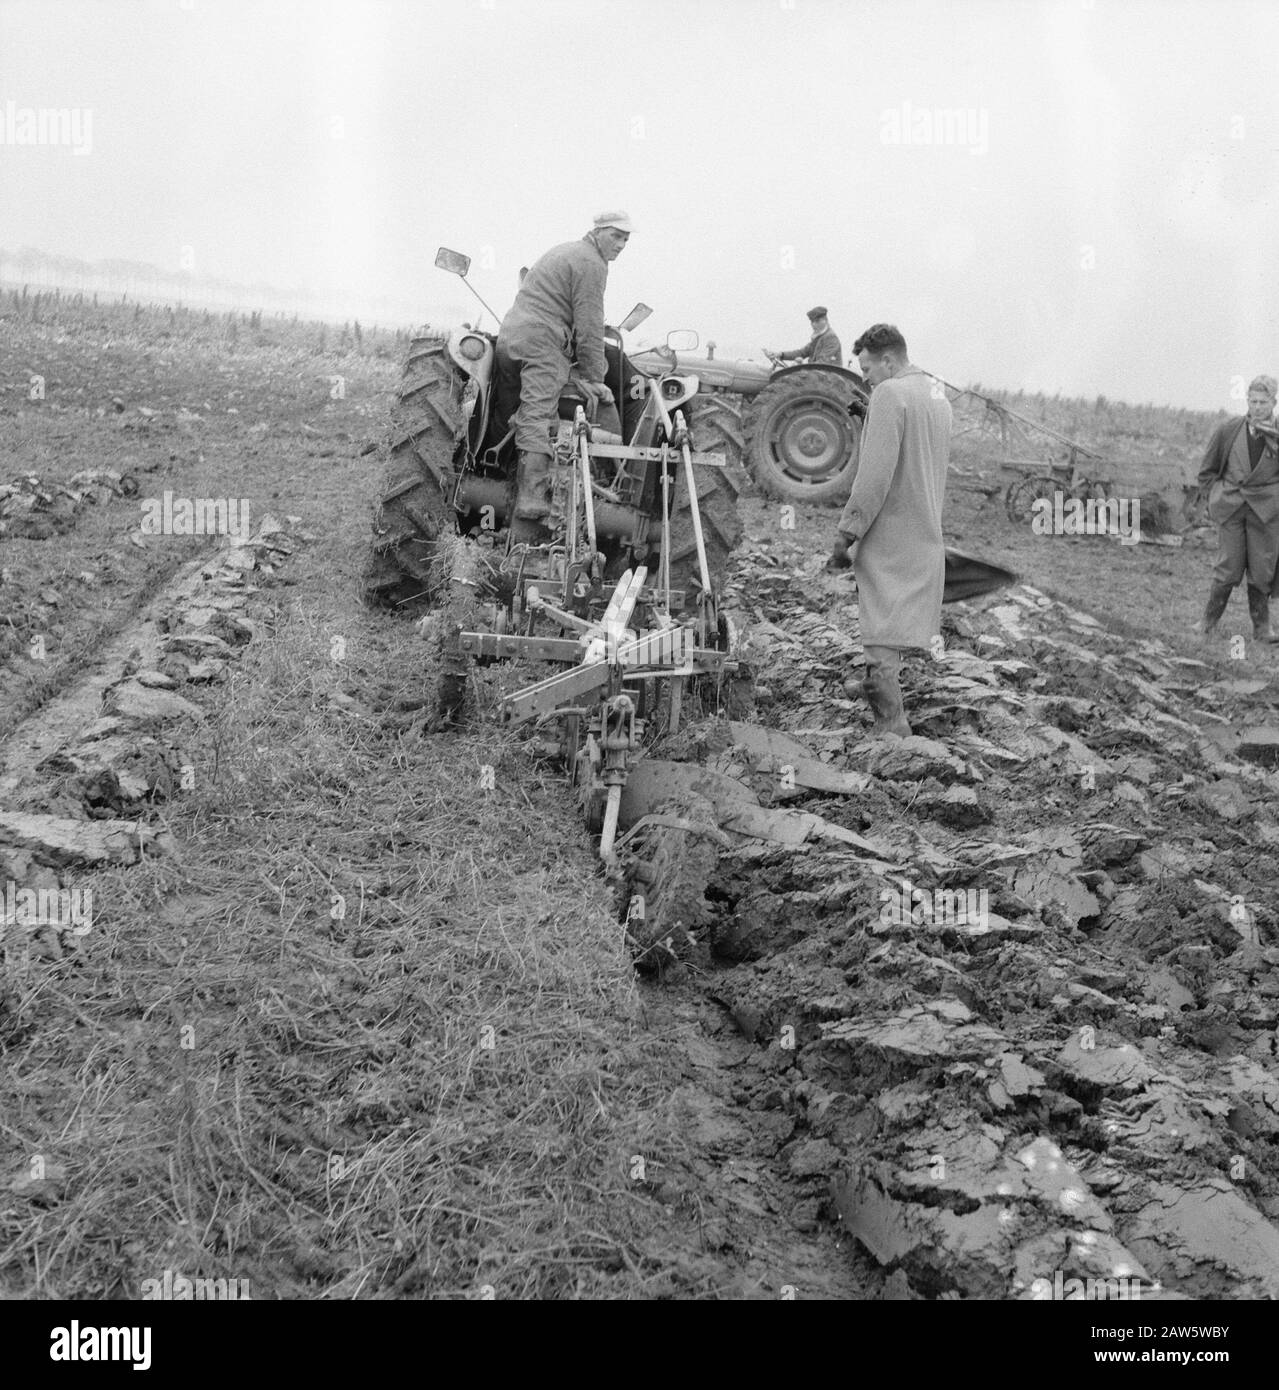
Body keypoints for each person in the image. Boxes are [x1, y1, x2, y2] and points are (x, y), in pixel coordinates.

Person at [826, 323, 951, 737]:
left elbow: (874, 477)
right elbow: (913, 452)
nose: (865, 378)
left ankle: (891, 725)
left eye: (867, 369)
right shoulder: (935, 394)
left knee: (879, 628)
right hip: (924, 533)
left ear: (888, 360)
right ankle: (877, 692)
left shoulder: (890, 394)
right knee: (896, 623)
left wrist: (847, 532)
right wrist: (871, 418)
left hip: (890, 535)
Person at [495, 211, 633, 521]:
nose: (622, 244)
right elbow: (589, 324)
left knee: (510, 411)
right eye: (616, 235)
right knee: (537, 414)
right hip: (542, 340)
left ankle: (500, 472)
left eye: (626, 238)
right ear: (598, 231)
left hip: (512, 336)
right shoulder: (591, 263)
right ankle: (532, 496)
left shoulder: (567, 251)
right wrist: (595, 377)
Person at [1195, 375, 1279, 642]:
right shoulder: (1228, 430)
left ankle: (1262, 630)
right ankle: (1207, 623)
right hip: (1230, 507)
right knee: (1228, 566)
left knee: (1262, 569)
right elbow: (1207, 472)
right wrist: (1214, 497)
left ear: (1274, 402)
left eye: (1263, 402)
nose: (1257, 407)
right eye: (1252, 401)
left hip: (1266, 512)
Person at [770, 307, 843, 367]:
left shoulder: (831, 338)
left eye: (817, 321)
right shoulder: (818, 338)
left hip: (830, 379)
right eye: (812, 322)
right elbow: (801, 353)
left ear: (825, 320)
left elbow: (822, 363)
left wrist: (801, 367)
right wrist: (781, 354)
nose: (813, 325)